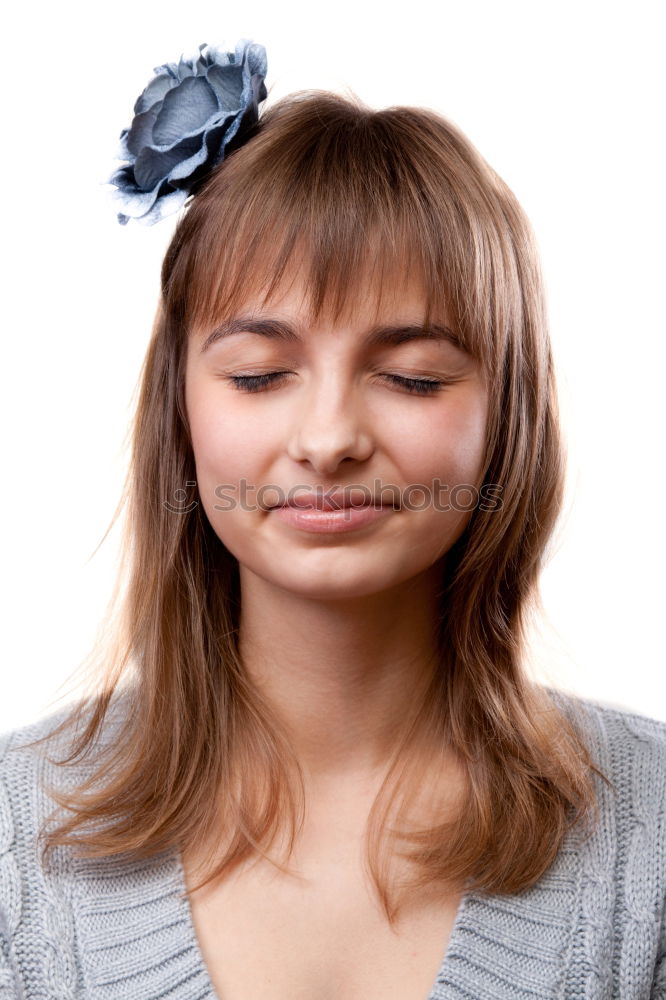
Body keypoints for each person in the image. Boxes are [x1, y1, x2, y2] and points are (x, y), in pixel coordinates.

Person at [1, 38, 665, 1000]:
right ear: (179, 411)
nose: (328, 439)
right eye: (259, 375)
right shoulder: (18, 842)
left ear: (508, 412)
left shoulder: (648, 840)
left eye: (411, 378)